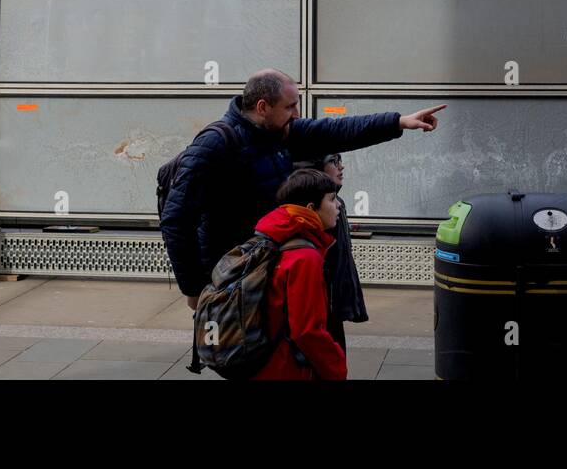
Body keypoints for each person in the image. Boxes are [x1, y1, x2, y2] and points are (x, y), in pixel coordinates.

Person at [160, 68, 445, 309]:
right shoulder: (216, 145)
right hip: (234, 274)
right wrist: (194, 289)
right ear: (262, 107)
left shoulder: (282, 133)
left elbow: (338, 130)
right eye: (290, 106)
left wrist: (399, 122)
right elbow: (176, 220)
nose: (297, 113)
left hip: (268, 267)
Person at [251, 169, 347, 380]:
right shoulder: (304, 258)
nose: (338, 205)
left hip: (261, 362)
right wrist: (337, 367)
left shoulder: (272, 237)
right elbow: (307, 331)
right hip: (285, 367)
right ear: (311, 208)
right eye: (332, 199)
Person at [292, 152, 363, 350]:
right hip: (322, 309)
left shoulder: (335, 205)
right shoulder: (321, 212)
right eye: (333, 161)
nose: (341, 167)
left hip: (331, 307)